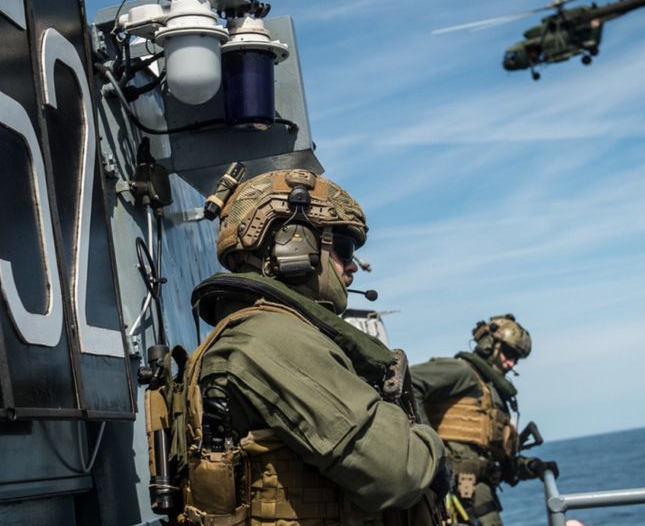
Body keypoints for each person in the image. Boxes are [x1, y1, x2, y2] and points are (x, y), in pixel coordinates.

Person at [176, 168, 449, 525]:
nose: (352, 265)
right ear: (293, 242)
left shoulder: (259, 332)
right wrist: (435, 452)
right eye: (343, 247)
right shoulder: (269, 337)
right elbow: (396, 470)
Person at [410, 315, 559, 526]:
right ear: (489, 345)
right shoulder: (461, 372)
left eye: (516, 358)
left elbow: (496, 462)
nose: (511, 362)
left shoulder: (490, 393)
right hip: (451, 500)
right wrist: (430, 452)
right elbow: (410, 382)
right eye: (508, 353)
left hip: (479, 502)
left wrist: (531, 466)